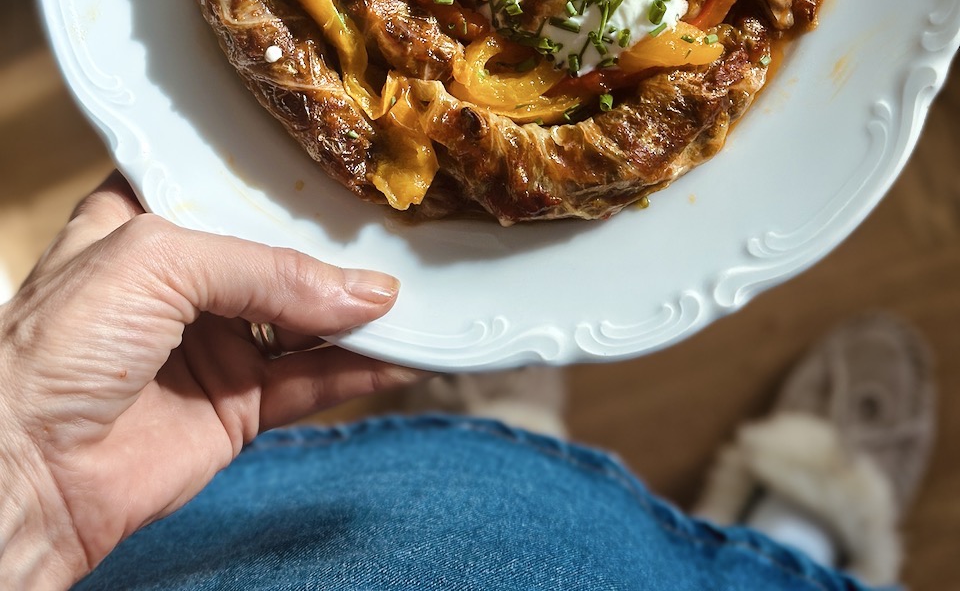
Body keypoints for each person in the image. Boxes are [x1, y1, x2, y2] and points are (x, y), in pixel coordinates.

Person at [0, 173, 933, 591]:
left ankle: (498, 416)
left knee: (438, 501)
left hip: (124, 546)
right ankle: (799, 536)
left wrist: (34, 475)